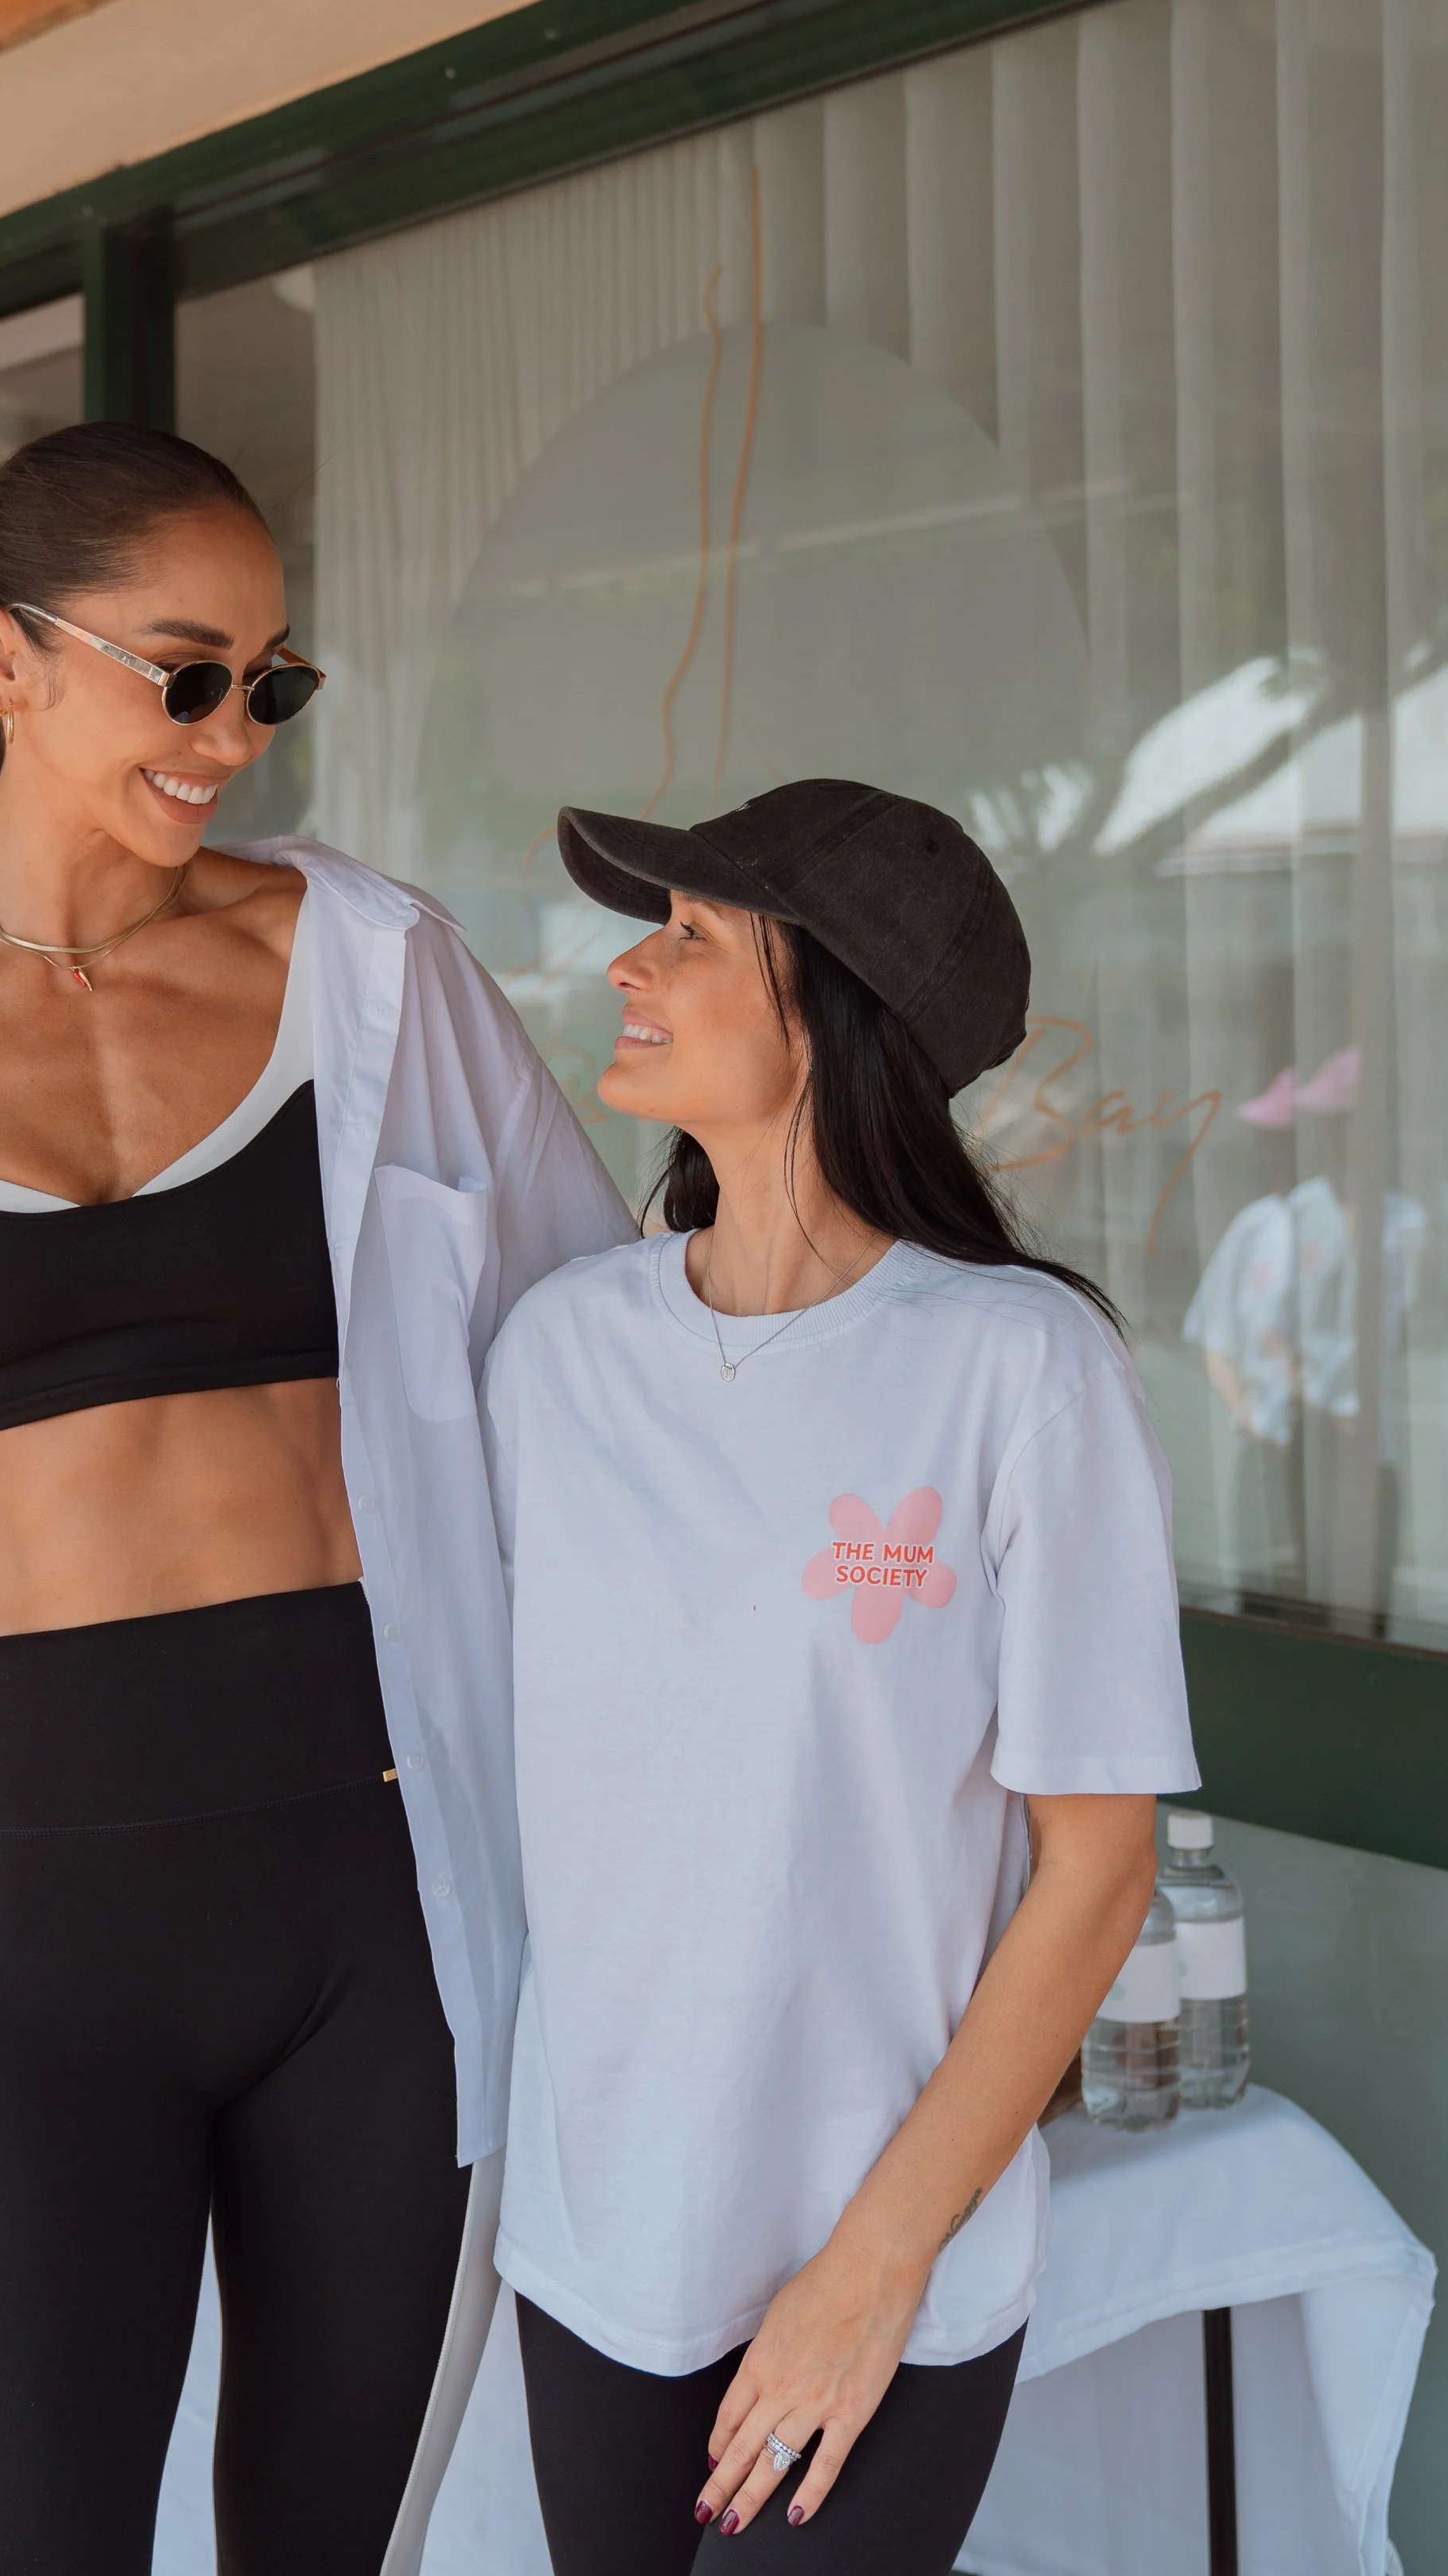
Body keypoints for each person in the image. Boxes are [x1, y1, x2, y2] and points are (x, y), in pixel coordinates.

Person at [0, 423, 632, 2576]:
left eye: (267, 686)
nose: (230, 737)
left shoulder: (382, 970)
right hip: (40, 1930)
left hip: (383, 1894)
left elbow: (597, 1375)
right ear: (3, 657)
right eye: (183, 674)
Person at [481, 780, 1200, 2576]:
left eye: (694, 935)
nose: (630, 966)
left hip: (884, 2256)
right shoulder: (555, 1352)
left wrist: (867, 2275)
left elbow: (1095, 1869)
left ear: (835, 1012)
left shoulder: (1016, 1371)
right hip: (597, 2236)